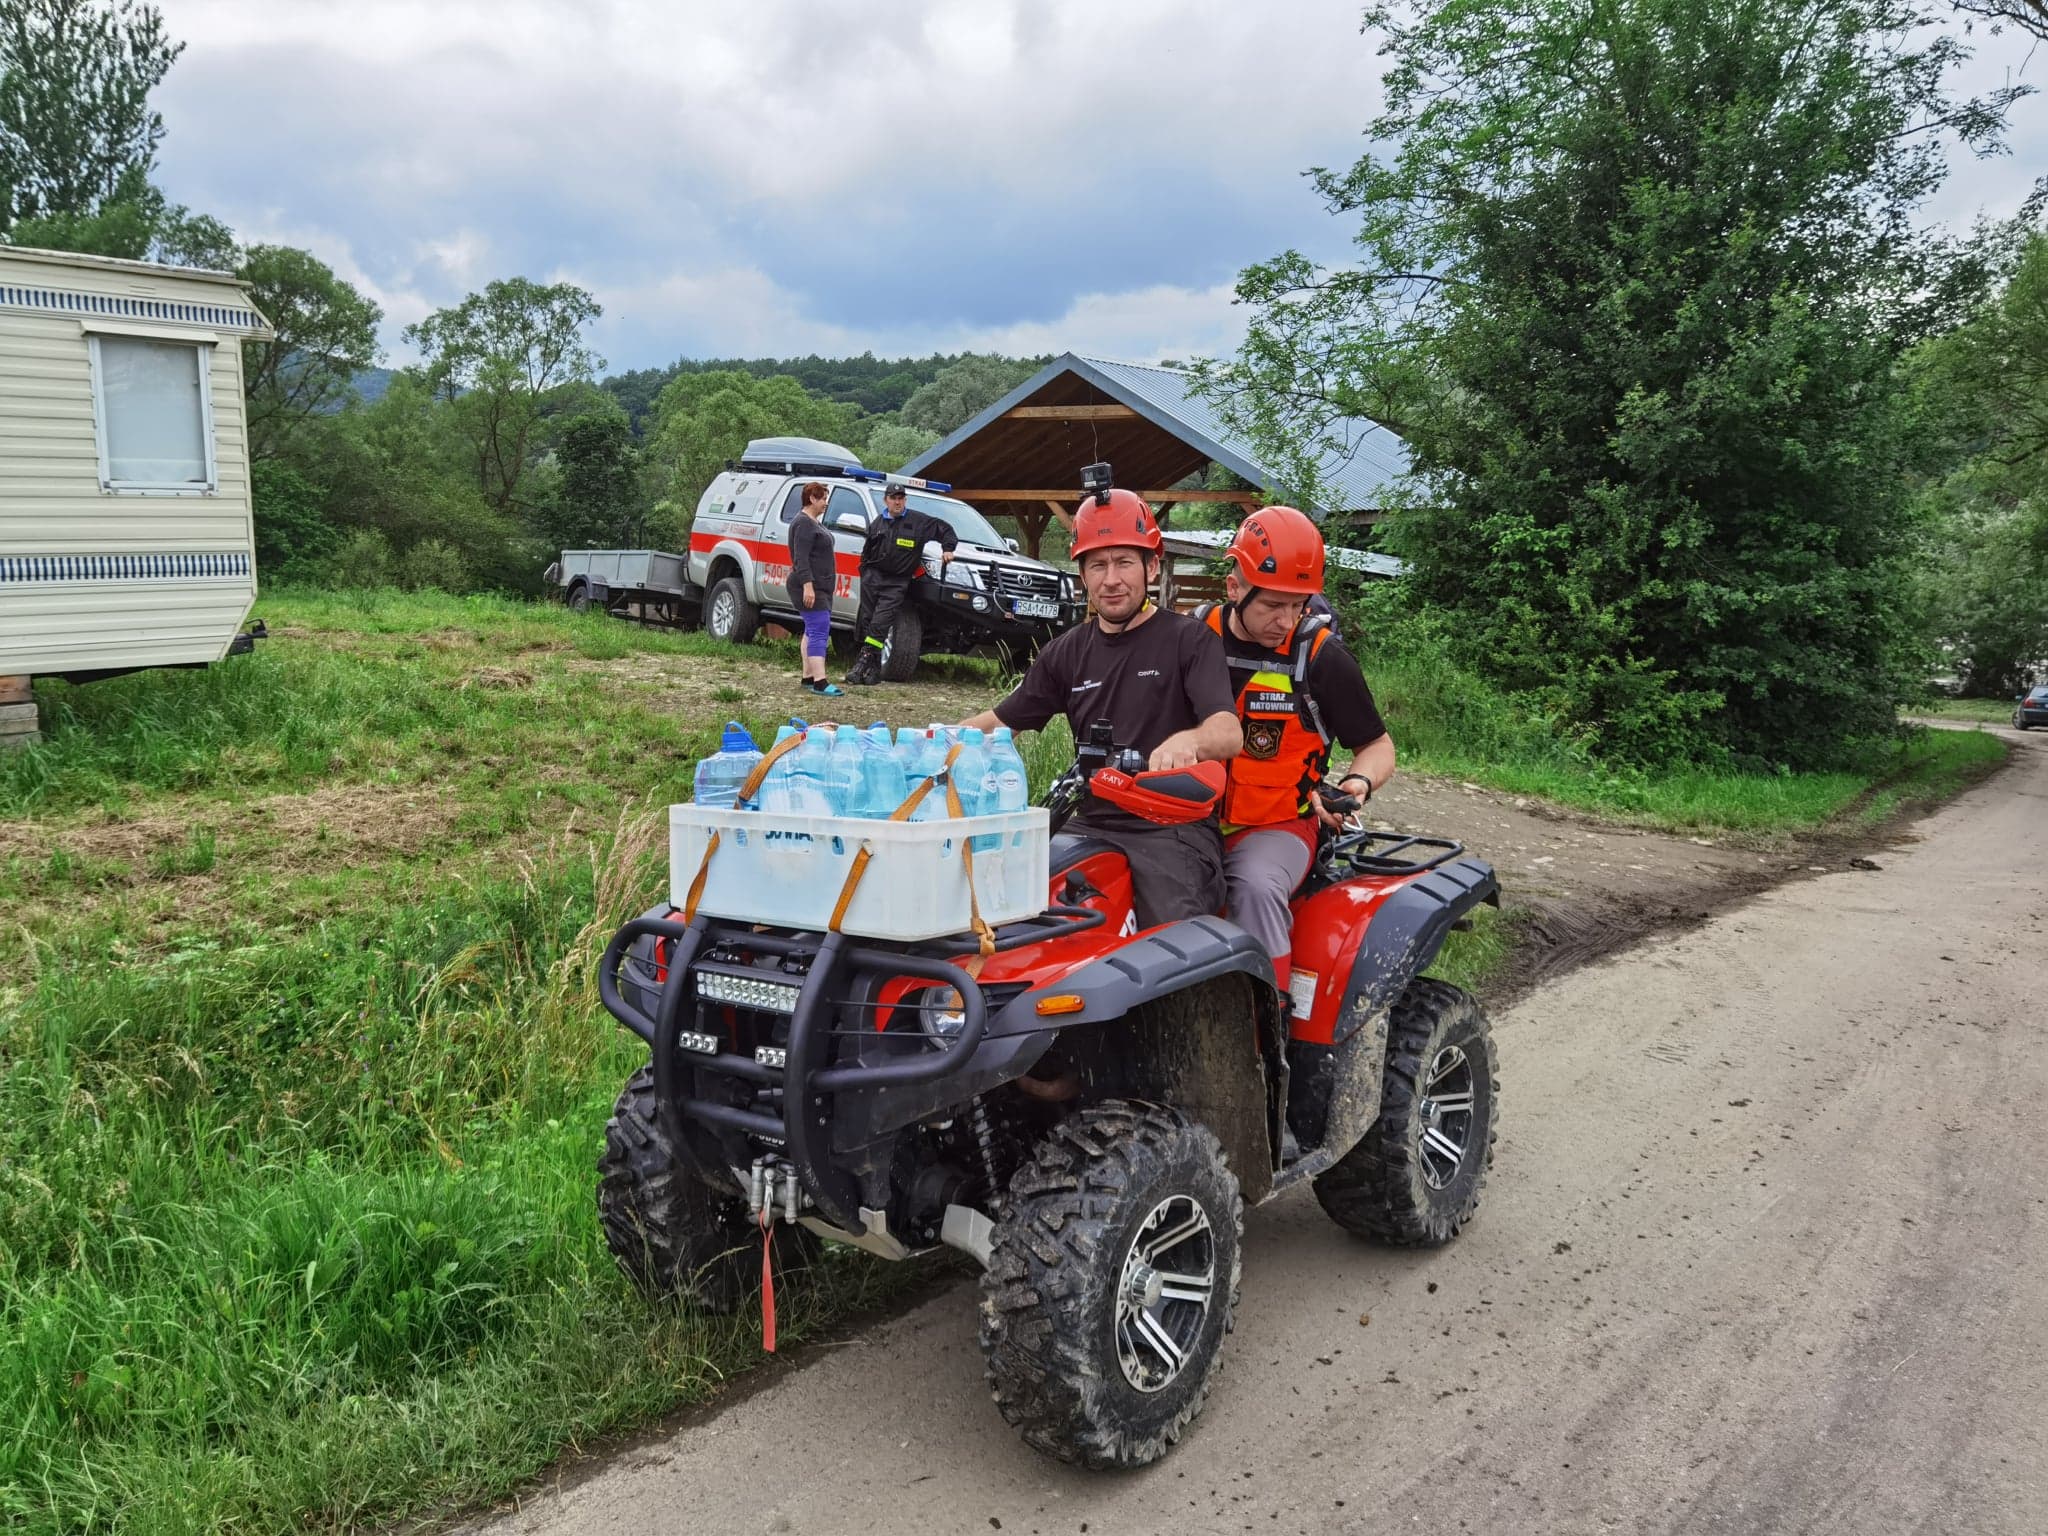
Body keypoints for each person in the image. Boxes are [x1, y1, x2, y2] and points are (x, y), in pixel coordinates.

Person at [960, 487, 1242, 928]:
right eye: (1098, 564)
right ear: (1083, 576)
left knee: (1171, 945)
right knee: (1014, 908)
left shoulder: (1189, 640)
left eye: (1124, 562)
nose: (1111, 579)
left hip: (1171, 831)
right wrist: (922, 742)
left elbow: (1227, 732)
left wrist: (1189, 741)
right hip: (1087, 821)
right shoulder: (1066, 652)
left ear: (1151, 565)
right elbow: (999, 723)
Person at [1204, 505, 1395, 990]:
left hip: (1278, 825)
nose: (1286, 620)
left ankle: (1268, 1029)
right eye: (1272, 605)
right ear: (1234, 588)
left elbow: (1377, 746)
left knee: (1254, 888)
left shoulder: (1323, 657)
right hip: (1190, 822)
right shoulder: (1191, 636)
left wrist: (1357, 784)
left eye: (1299, 604)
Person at [845, 484, 958, 685]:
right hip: (872, 578)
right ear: (886, 500)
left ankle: (861, 663)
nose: (897, 502)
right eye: (893, 498)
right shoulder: (878, 522)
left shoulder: (918, 522)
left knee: (880, 623)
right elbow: (867, 551)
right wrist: (865, 571)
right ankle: (874, 671)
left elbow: (946, 530)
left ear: (905, 500)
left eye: (901, 498)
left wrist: (948, 549)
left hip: (896, 582)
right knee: (868, 622)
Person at [789, 481, 843, 697]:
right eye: (823, 499)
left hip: (821, 586)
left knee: (812, 630)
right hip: (810, 586)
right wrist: (807, 586)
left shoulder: (814, 523)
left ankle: (808, 676)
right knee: (820, 628)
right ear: (811, 498)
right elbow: (800, 558)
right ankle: (820, 681)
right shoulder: (803, 524)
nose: (825, 503)